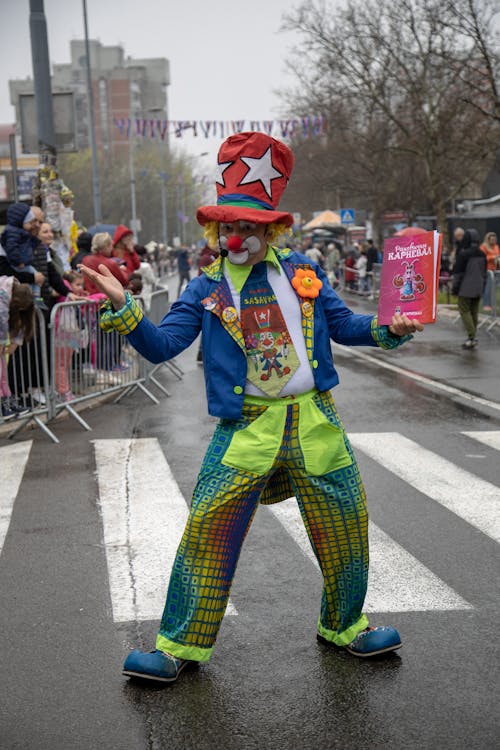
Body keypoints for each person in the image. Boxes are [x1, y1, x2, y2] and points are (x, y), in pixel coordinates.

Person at [80, 131, 423, 684]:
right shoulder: (205, 288)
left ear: (271, 230)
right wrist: (126, 311)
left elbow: (347, 327)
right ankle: (179, 645)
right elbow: (164, 347)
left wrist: (391, 327)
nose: (235, 236)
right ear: (215, 231)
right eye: (227, 227)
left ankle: (345, 623)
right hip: (248, 429)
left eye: (248, 227)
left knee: (346, 524)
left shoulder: (303, 274)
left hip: (314, 421)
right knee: (209, 530)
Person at [0, 277, 34, 419]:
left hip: (1, 336)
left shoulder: (18, 291)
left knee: (3, 375)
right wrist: (2, 341)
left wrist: (16, 340)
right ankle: (3, 407)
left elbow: (19, 317)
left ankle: (8, 403)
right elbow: (1, 320)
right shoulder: (3, 296)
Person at [53, 270, 88, 402]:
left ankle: (65, 390)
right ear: (68, 285)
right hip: (62, 334)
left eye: (82, 285)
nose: (80, 288)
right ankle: (63, 391)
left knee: (66, 363)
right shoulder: (65, 296)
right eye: (77, 285)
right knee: (61, 364)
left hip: (72, 334)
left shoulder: (73, 297)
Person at [452, 228, 487, 349]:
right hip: (478, 287)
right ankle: (472, 336)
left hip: (465, 288)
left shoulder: (463, 254)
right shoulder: (482, 253)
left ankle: (472, 337)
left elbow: (458, 273)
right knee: (474, 312)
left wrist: (455, 289)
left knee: (464, 311)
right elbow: (485, 272)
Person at [0, 203, 41, 299]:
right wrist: (18, 262)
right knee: (32, 280)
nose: (35, 225)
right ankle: (35, 298)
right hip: (19, 266)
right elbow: (6, 271)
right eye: (31, 221)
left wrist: (34, 238)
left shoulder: (23, 234)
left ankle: (36, 298)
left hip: (23, 264)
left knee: (35, 278)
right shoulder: (13, 234)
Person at [479, 232, 499, 312]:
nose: (494, 241)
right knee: (488, 288)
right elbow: (482, 258)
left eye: (495, 239)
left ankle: (492, 304)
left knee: (493, 289)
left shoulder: (496, 247)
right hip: (487, 270)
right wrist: (492, 257)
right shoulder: (483, 247)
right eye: (492, 239)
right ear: (488, 239)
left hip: (494, 270)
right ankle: (486, 304)